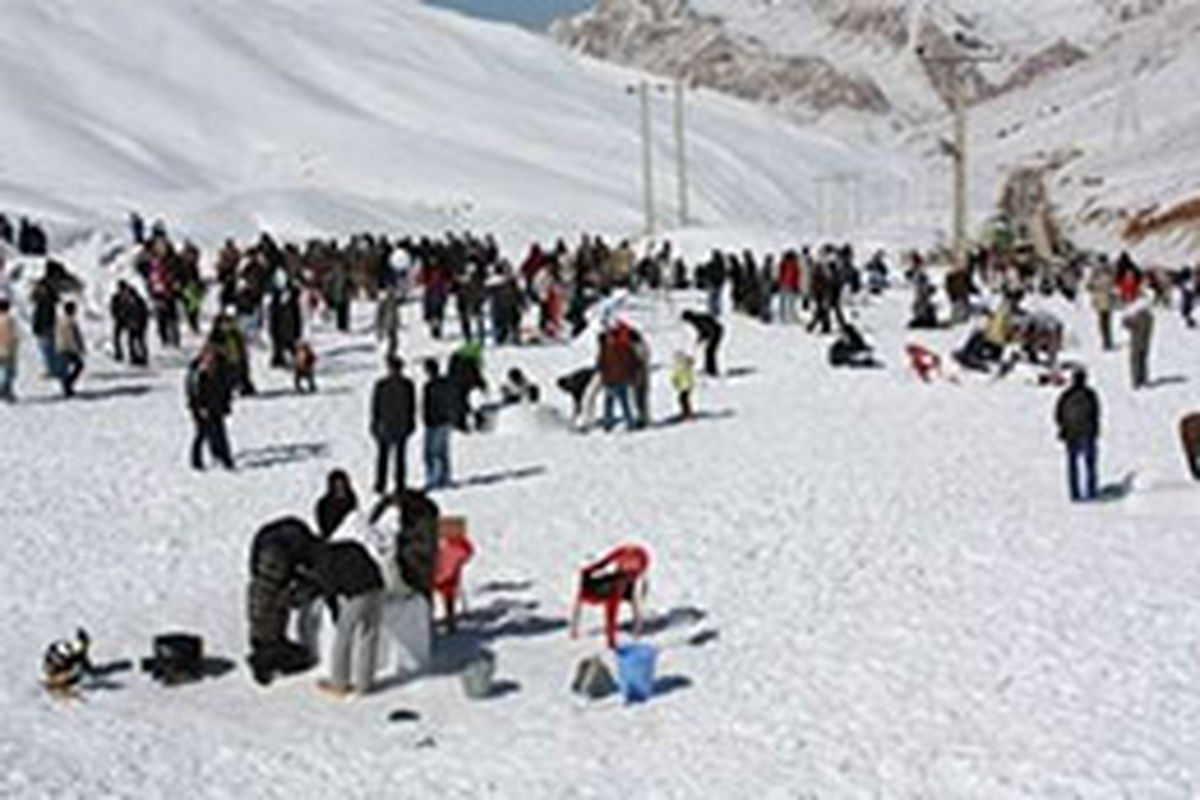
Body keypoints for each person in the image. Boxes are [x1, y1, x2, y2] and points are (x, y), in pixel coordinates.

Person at [246, 517, 323, 686]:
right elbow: (288, 598)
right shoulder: (269, 595)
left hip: (276, 548)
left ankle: (268, 661)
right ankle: (269, 661)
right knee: (304, 659)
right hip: (277, 549)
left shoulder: (262, 586)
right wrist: (310, 588)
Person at [312, 539, 386, 697]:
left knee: (343, 638)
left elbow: (329, 592)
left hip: (358, 594)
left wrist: (336, 615)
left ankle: (339, 684)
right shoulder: (351, 545)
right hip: (377, 589)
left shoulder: (322, 562)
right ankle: (365, 684)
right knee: (369, 635)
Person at [370, 356, 416, 495]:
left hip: (397, 425)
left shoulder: (405, 385)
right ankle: (382, 483)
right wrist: (375, 422)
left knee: (397, 458)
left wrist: (410, 421)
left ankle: (397, 484)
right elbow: (375, 406)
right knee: (386, 457)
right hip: (389, 425)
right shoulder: (383, 384)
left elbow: (411, 406)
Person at [186, 344, 235, 470]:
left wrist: (226, 403)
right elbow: (194, 392)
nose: (210, 360)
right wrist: (200, 407)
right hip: (201, 408)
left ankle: (224, 458)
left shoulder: (221, 369)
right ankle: (196, 460)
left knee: (220, 432)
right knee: (202, 433)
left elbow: (225, 388)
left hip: (215, 405)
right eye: (208, 357)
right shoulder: (197, 372)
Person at [1054, 369, 1100, 502]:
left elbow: (1058, 414)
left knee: (1072, 465)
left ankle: (1075, 494)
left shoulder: (1066, 395)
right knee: (1089, 464)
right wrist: (1095, 430)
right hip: (1087, 433)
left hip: (1071, 434)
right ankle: (1091, 491)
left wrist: (1063, 428)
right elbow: (1096, 413)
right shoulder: (1090, 394)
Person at [421, 358, 457, 491]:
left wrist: (427, 418)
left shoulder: (429, 386)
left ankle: (433, 479)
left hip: (434, 422)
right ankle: (445, 476)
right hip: (446, 421)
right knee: (443, 452)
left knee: (431, 453)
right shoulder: (446, 384)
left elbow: (428, 405)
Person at [597, 324, 638, 432]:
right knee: (621, 402)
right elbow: (633, 361)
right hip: (618, 378)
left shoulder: (607, 347)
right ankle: (629, 422)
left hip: (612, 378)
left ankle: (609, 423)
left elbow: (600, 363)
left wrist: (601, 373)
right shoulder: (624, 346)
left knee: (610, 402)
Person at [315, 469, 359, 538]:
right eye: (337, 486)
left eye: (342, 486)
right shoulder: (324, 505)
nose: (340, 489)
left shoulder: (351, 499)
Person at [55, 301, 85, 397]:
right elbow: (75, 336)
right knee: (79, 365)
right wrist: (80, 347)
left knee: (66, 368)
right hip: (69, 348)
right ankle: (68, 384)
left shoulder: (60, 320)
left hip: (61, 347)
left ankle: (67, 386)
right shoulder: (71, 321)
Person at [1123, 298, 1154, 389]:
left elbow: (1127, 324)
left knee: (1135, 361)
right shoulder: (1150, 318)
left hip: (1136, 342)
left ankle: (1136, 381)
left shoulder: (1138, 318)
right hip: (1146, 342)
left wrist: (1127, 317)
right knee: (1143, 361)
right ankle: (1143, 378)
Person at [681, 310, 723, 377]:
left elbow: (710, 329)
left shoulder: (698, 320)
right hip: (714, 331)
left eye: (686, 320)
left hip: (716, 332)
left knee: (709, 351)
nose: (687, 323)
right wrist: (700, 339)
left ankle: (712, 371)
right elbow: (703, 331)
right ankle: (709, 369)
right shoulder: (696, 320)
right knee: (708, 351)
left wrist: (709, 338)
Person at [0, 297, 17, 402]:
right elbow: (12, 336)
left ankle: (5, 390)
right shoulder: (9, 320)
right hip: (7, 349)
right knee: (10, 372)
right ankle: (5, 391)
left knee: (5, 371)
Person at [670, 350, 695, 421]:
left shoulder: (684, 367)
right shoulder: (679, 367)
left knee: (683, 399)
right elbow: (675, 376)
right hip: (684, 386)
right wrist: (675, 381)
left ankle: (687, 413)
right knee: (682, 399)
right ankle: (686, 412)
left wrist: (675, 381)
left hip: (686, 386)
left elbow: (690, 363)